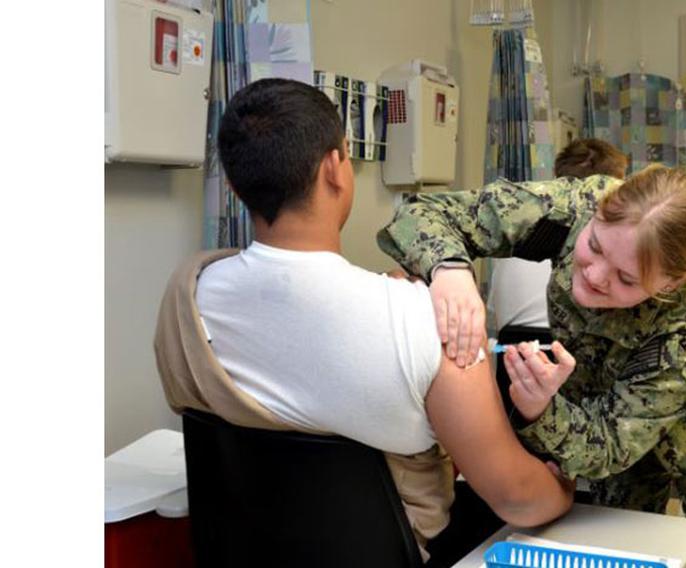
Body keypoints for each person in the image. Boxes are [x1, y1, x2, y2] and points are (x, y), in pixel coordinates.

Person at [153, 78, 573, 565]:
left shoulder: (190, 295)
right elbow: (518, 498)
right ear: (335, 167)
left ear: (233, 183)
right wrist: (564, 486)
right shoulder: (425, 321)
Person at [377, 165, 686, 567]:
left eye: (626, 278)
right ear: (598, 211)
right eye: (594, 246)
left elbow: (610, 444)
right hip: (610, 403)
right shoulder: (570, 208)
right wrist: (450, 270)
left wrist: (543, 410)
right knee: (611, 550)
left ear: (671, 284)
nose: (594, 275)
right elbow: (422, 213)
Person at [488, 137, 628, 332]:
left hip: (514, 355)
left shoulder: (517, 236)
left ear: (556, 179)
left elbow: (497, 320)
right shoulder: (620, 253)